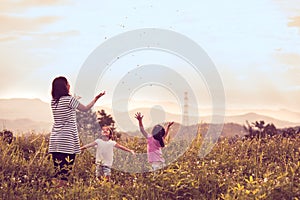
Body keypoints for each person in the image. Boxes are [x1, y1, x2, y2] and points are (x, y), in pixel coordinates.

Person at [49, 76, 105, 187]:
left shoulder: (54, 102)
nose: (69, 85)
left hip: (55, 140)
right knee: (66, 170)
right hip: (67, 139)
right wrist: (96, 99)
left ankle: (55, 191)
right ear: (64, 86)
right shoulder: (70, 100)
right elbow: (85, 108)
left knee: (58, 171)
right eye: (67, 83)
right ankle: (62, 191)